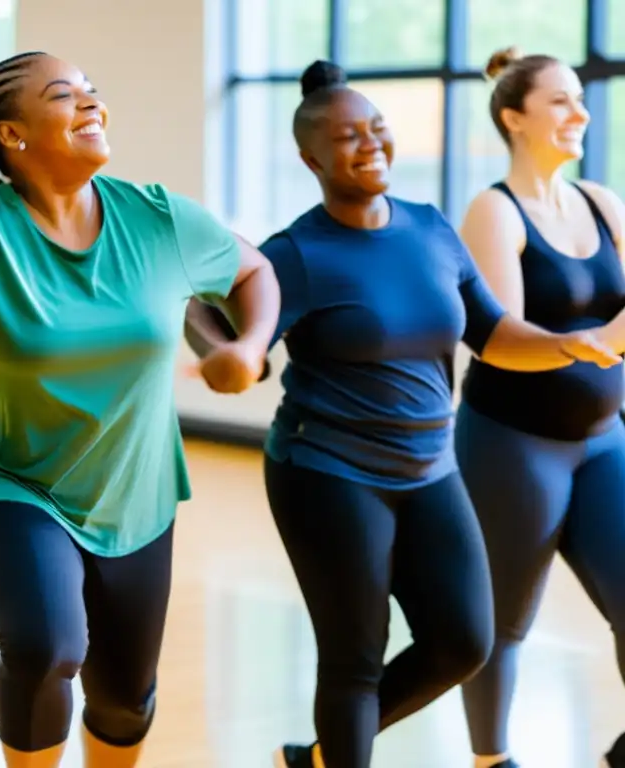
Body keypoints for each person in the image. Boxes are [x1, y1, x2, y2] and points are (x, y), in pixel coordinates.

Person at [0, 51, 280, 768]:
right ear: (12, 135)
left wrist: (251, 344)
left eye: (93, 93)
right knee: (47, 646)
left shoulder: (157, 218)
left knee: (124, 697)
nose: (91, 105)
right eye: (65, 96)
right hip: (6, 475)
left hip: (132, 489)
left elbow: (252, 268)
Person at [183, 61, 622, 768]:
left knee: (464, 640)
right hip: (327, 469)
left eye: (377, 129)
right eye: (348, 137)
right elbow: (205, 304)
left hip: (428, 465)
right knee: (354, 657)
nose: (370, 144)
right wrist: (236, 350)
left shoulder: (430, 229)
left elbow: (492, 332)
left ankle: (320, 757)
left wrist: (571, 344)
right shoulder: (299, 252)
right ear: (310, 158)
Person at [455, 47, 625, 768]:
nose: (578, 112)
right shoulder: (494, 211)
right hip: (513, 443)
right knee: (503, 623)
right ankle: (493, 760)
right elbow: (502, 341)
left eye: (580, 99)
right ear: (513, 117)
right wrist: (594, 341)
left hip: (603, 440)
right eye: (559, 100)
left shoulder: (603, 201)